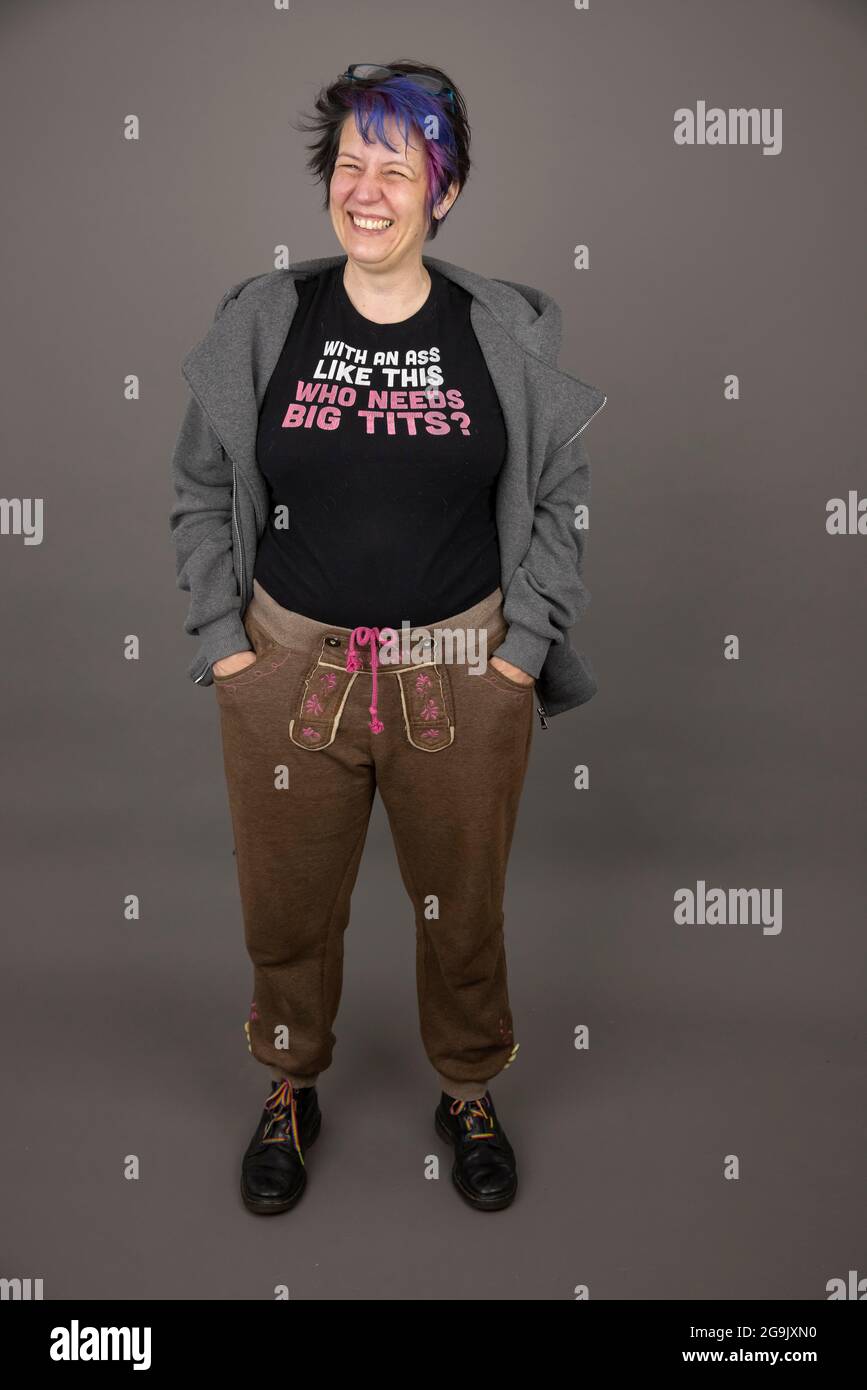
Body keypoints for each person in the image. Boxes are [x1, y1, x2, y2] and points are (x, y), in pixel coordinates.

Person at [169, 59, 606, 1215]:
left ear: (443, 192)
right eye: (349, 164)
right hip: (284, 673)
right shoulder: (264, 319)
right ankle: (287, 1082)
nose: (367, 189)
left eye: (396, 168)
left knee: (462, 906)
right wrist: (224, 644)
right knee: (285, 909)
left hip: (465, 675)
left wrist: (523, 654)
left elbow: (562, 501)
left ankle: (466, 1087)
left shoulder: (502, 331)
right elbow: (199, 488)